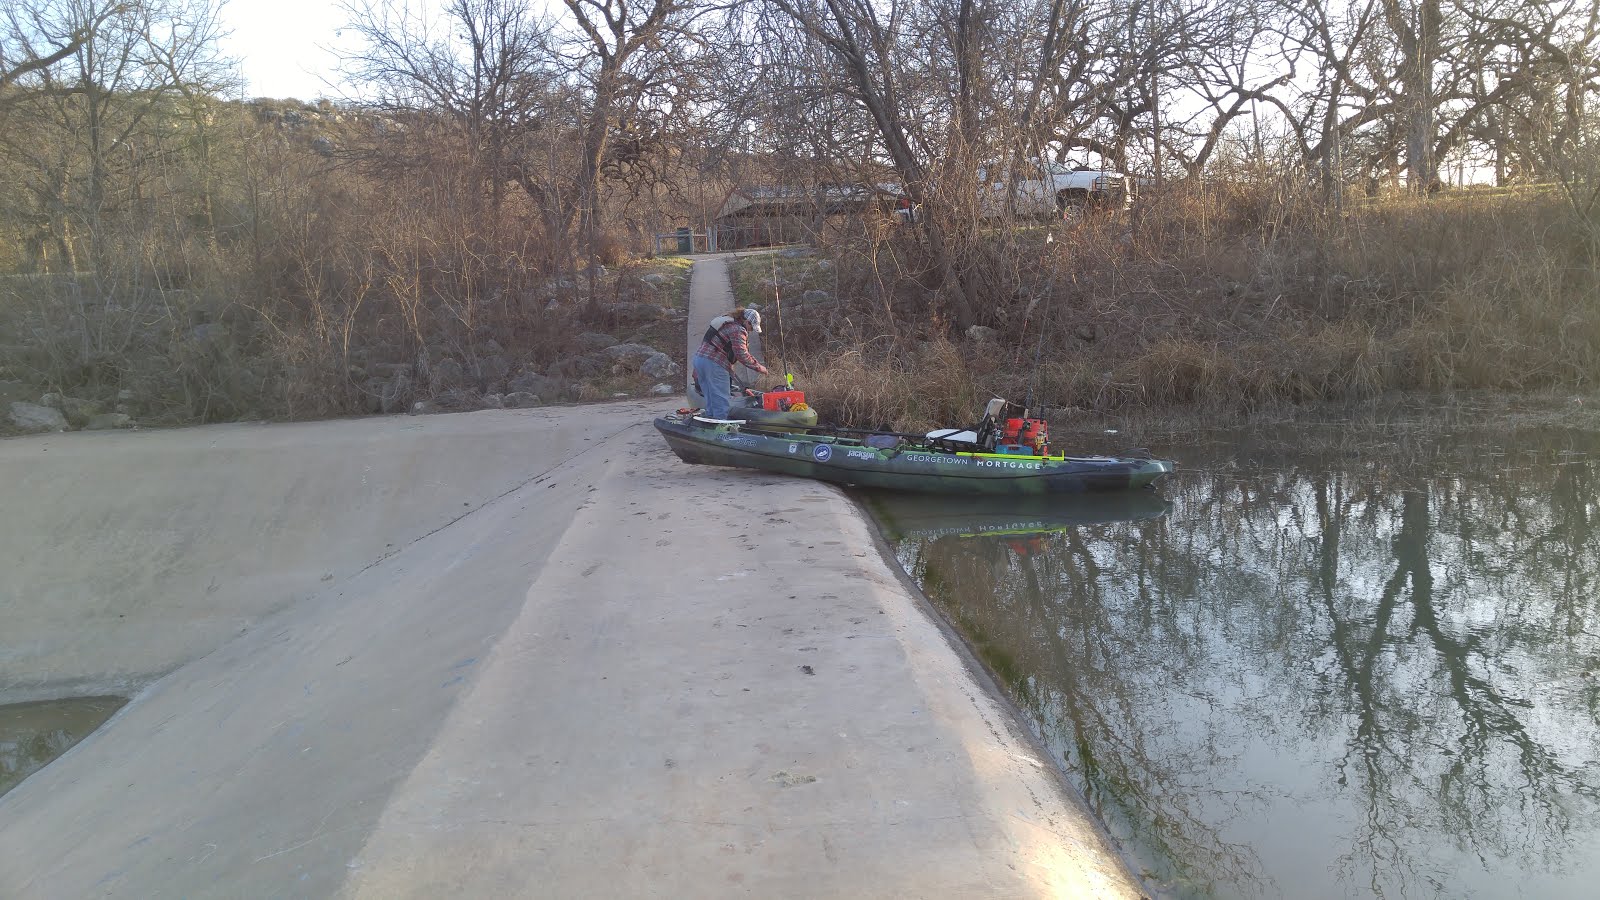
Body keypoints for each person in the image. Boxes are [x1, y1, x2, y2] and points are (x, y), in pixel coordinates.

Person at [692, 306, 768, 419]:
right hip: (715, 363)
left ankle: (710, 422)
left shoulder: (726, 322)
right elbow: (742, 354)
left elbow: (710, 344)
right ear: (746, 321)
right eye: (751, 327)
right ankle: (721, 426)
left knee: (710, 398)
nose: (751, 330)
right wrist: (759, 367)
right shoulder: (738, 329)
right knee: (721, 400)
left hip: (700, 360)